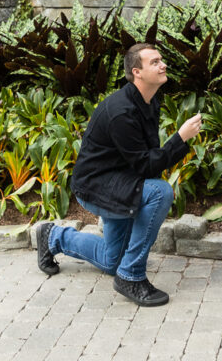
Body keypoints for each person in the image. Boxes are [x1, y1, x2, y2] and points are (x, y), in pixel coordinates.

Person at [36, 42, 202, 306]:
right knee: (160, 192)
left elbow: (144, 159)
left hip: (123, 184)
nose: (163, 65)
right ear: (137, 72)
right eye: (155, 62)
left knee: (111, 260)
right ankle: (132, 275)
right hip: (97, 188)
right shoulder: (121, 112)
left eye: (162, 60)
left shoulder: (149, 101)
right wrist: (180, 138)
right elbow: (147, 167)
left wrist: (177, 142)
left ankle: (52, 236)